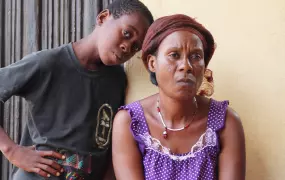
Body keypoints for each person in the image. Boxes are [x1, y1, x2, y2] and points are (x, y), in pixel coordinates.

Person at [0, 0, 153, 179]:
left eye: (136, 47)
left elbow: (110, 142)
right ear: (103, 18)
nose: (127, 47)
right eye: (127, 33)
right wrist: (11, 150)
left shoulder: (117, 79)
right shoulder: (49, 64)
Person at [112, 14, 246, 180]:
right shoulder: (130, 123)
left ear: (204, 68)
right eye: (174, 55)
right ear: (152, 63)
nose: (186, 66)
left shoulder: (225, 121)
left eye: (196, 56)